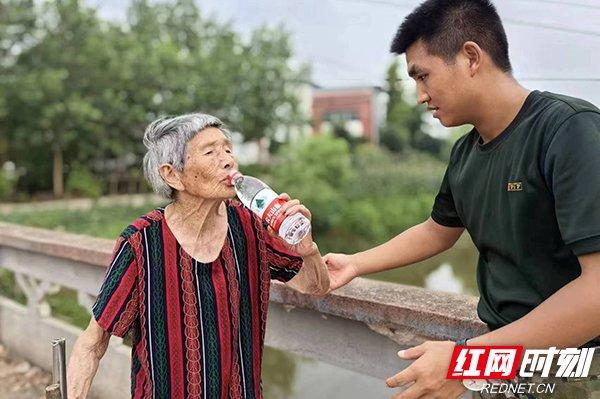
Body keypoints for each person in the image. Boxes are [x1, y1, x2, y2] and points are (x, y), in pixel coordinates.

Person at [324, 1, 600, 398]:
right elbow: (438, 231)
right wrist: (355, 262)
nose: (420, 95)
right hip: (500, 358)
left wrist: (465, 361)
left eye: (423, 76)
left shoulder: (569, 131)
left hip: (577, 369)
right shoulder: (466, 153)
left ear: (471, 57)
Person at [66, 113, 330, 398]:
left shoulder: (250, 225)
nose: (228, 160)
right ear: (172, 175)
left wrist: (308, 251)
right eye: (210, 152)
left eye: (228, 148)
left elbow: (314, 287)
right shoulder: (141, 242)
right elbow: (93, 343)